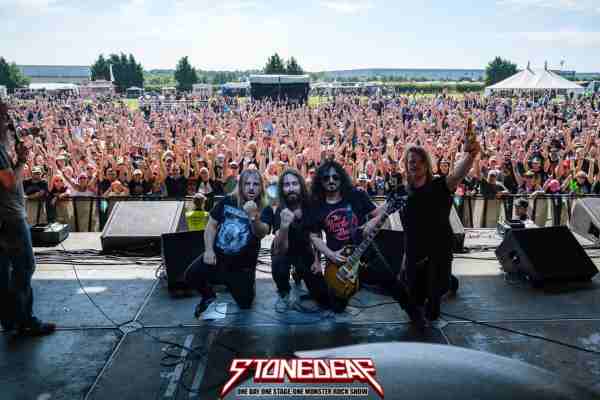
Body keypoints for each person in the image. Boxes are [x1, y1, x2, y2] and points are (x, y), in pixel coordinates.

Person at [399, 127, 480, 326]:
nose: (414, 165)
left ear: (426, 165)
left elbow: (458, 173)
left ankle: (446, 284)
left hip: (438, 251)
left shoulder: (440, 186)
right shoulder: (402, 192)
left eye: (418, 162)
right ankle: (446, 282)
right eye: (411, 162)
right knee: (413, 303)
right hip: (414, 253)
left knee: (432, 308)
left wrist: (470, 154)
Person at [308, 160, 408, 313]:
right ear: (320, 181)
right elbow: (315, 236)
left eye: (335, 177)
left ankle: (414, 312)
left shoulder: (356, 195)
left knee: (391, 281)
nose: (331, 181)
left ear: (342, 178)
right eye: (326, 178)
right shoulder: (317, 205)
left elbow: (375, 214)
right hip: (339, 263)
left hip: (364, 253)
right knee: (337, 306)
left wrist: (389, 206)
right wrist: (330, 255)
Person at [0, 102, 55, 336]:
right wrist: (21, 160)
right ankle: (24, 320)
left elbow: (16, 134)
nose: (8, 123)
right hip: (9, 217)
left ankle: (10, 321)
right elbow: (9, 182)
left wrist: (31, 132)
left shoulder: (2, 144)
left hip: (5, 216)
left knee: (3, 272)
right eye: (4, 118)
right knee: (24, 266)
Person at [185, 169, 271, 316]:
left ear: (261, 187)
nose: (251, 187)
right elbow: (211, 225)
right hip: (218, 256)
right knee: (191, 275)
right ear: (241, 185)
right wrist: (209, 250)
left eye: (255, 184)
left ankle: (242, 284)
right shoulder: (228, 201)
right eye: (247, 183)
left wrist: (253, 216)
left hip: (242, 265)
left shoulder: (265, 207)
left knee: (245, 305)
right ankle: (208, 296)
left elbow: (261, 233)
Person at [270, 169, 329, 307]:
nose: (291, 188)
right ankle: (283, 290)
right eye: (286, 185)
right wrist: (284, 226)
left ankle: (299, 271)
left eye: (294, 184)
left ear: (301, 185)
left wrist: (317, 261)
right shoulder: (280, 209)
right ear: (282, 189)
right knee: (279, 263)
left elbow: (317, 235)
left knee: (322, 297)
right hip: (284, 248)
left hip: (304, 249)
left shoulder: (311, 206)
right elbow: (280, 248)